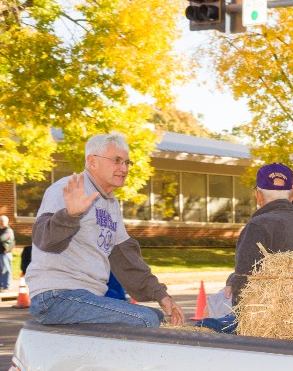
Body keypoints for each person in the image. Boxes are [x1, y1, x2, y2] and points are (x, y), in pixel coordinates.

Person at [27, 132, 184, 328]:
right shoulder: (69, 189)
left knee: (158, 318)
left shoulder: (110, 202)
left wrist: (161, 295)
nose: (124, 168)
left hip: (85, 297)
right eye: (117, 161)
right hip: (56, 296)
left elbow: (124, 257)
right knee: (146, 320)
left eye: (127, 162)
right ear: (92, 162)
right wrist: (69, 216)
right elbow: (44, 240)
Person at [200, 164, 293, 334]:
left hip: (266, 323)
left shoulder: (257, 227)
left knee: (205, 323)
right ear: (292, 191)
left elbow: (243, 282)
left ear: (258, 195)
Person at [0, 215, 15, 291]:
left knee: (5, 270)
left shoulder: (8, 230)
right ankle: (0, 285)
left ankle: (6, 286)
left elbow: (1, 238)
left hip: (4, 253)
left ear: (2, 222)